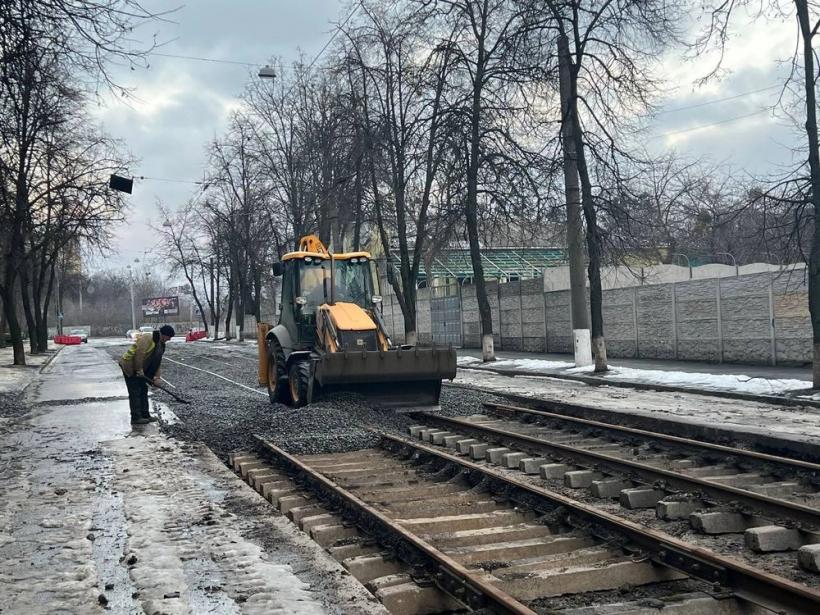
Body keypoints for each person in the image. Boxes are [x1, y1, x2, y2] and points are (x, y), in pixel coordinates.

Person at [119, 325, 175, 424]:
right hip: (129, 365)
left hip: (140, 368)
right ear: (163, 334)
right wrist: (139, 369)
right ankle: (136, 418)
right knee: (135, 391)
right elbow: (139, 354)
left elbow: (157, 361)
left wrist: (157, 377)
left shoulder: (161, 344)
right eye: (169, 337)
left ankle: (145, 414)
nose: (169, 339)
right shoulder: (148, 338)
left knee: (143, 390)